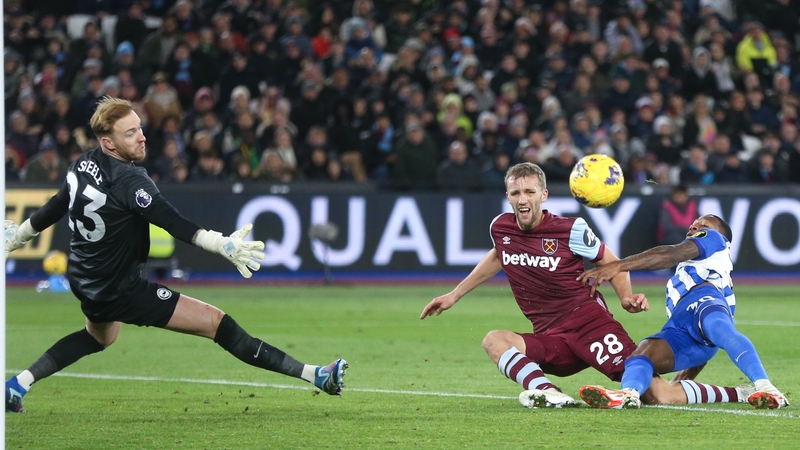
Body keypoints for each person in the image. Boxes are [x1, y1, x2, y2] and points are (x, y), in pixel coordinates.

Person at [4, 97, 347, 413]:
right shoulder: (131, 181)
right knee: (217, 324)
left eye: (139, 127)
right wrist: (219, 243)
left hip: (84, 279)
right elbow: (173, 222)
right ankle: (316, 375)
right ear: (108, 142)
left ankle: (17, 384)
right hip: (121, 290)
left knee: (99, 337)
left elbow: (55, 206)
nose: (141, 137)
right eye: (130, 133)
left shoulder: (81, 164)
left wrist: (18, 237)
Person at [420, 163, 751, 409]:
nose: (523, 199)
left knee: (657, 395)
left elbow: (611, 261)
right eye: (516, 192)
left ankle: (741, 392)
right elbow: (497, 255)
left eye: (530, 192)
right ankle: (548, 394)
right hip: (551, 336)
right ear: (508, 196)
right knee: (494, 340)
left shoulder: (570, 230)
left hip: (590, 325)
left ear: (543, 195)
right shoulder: (501, 228)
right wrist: (454, 294)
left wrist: (625, 297)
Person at [577, 214, 789, 410]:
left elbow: (671, 254)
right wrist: (682, 382)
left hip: (705, 302)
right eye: (695, 223)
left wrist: (619, 265)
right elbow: (700, 337)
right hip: (684, 326)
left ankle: (767, 387)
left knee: (718, 326)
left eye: (703, 224)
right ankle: (628, 395)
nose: (695, 226)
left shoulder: (714, 239)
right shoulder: (683, 277)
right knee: (642, 354)